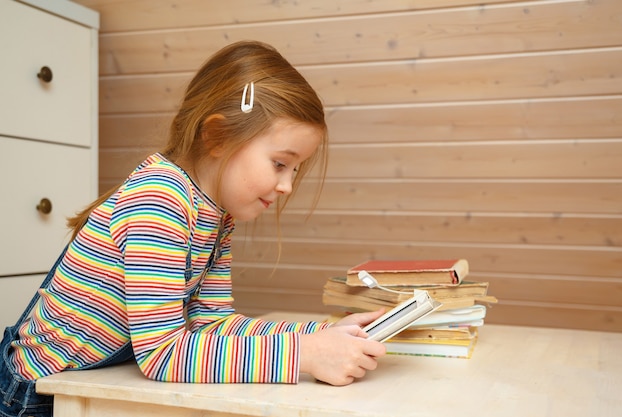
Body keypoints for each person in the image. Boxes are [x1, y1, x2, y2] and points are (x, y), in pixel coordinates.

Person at [0, 40, 386, 417]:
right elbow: (163, 354)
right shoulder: (161, 199)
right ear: (217, 136)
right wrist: (305, 355)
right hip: (37, 397)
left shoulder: (217, 214)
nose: (287, 186)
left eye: (295, 169)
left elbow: (213, 324)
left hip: (89, 384)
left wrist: (320, 334)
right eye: (280, 164)